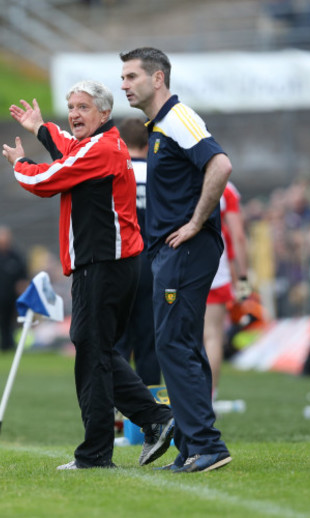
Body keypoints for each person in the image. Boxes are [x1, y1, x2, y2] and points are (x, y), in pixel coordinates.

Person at [2, 81, 174, 470]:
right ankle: (155, 420)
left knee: (94, 355)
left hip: (105, 265)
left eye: (83, 107)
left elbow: (45, 181)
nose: (75, 114)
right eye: (71, 106)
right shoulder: (97, 145)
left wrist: (19, 165)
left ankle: (102, 450)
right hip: (102, 264)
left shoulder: (102, 149)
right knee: (94, 349)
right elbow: (66, 146)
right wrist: (40, 128)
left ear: (104, 114)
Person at [121, 47, 232, 473]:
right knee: (181, 344)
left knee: (173, 344)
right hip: (172, 252)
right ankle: (192, 446)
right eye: (124, 77)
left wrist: (195, 222)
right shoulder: (159, 126)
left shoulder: (179, 118)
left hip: (185, 249)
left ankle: (206, 445)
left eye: (132, 77)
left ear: (158, 78)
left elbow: (220, 165)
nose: (125, 85)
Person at [113, 117, 162, 386]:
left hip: (121, 262)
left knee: (117, 343)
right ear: (148, 142)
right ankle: (151, 417)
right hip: (154, 265)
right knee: (149, 344)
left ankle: (117, 411)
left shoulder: (113, 173)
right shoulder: (159, 174)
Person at [204, 181, 249, 397]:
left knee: (185, 337)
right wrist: (243, 276)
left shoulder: (177, 174)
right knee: (212, 335)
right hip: (215, 268)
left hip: (179, 264)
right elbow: (238, 235)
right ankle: (208, 399)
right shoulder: (227, 188)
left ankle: (187, 400)